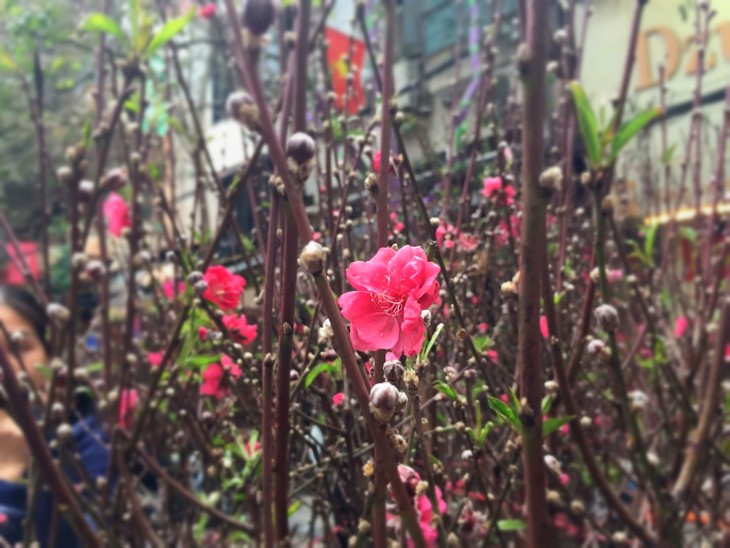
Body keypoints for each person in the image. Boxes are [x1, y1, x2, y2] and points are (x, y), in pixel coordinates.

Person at [0, 285, 109, 547]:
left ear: (49, 354)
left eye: (19, 346)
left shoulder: (87, 443)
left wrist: (9, 478)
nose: (4, 367)